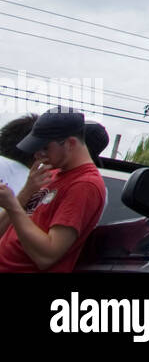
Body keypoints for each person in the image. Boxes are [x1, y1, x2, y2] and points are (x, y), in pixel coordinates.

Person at [0, 110, 106, 272]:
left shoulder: (85, 185)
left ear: (70, 144)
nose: (38, 154)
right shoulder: (51, 173)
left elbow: (47, 256)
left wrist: (13, 206)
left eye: (44, 148)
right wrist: (26, 192)